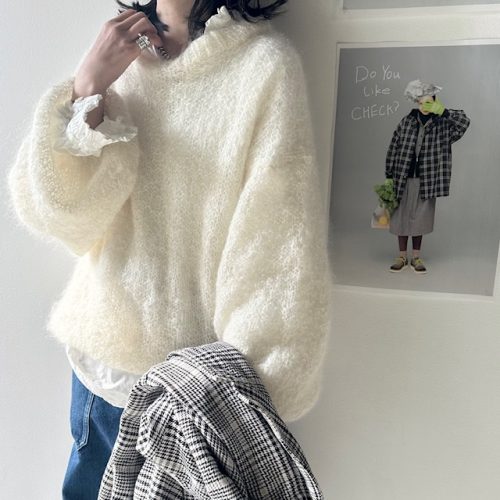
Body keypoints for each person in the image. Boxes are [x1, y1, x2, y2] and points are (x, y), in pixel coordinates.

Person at [6, 0, 333, 498]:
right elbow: (60, 215)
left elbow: (276, 249)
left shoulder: (262, 65)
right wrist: (87, 85)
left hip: (191, 402)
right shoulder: (120, 56)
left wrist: (248, 400)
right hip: (101, 381)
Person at [385, 79, 470, 274]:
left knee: (420, 218)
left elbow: (464, 123)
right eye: (422, 102)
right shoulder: (406, 122)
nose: (425, 106)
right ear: (417, 102)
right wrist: (389, 174)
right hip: (402, 178)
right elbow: (393, 146)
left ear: (435, 102)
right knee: (400, 216)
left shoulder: (443, 125)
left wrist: (445, 112)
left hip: (427, 180)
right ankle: (401, 256)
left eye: (430, 102)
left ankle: (416, 257)